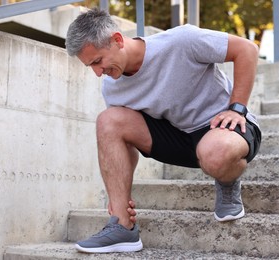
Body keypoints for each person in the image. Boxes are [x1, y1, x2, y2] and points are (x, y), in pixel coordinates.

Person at [65, 8, 261, 254]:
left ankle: (228, 182)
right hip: (179, 136)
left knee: (215, 153)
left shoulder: (181, 41)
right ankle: (122, 228)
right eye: (90, 66)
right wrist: (120, 199)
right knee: (109, 120)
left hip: (227, 127)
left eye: (98, 61)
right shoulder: (113, 89)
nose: (97, 72)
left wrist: (237, 108)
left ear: (116, 40)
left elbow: (247, 50)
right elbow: (122, 142)